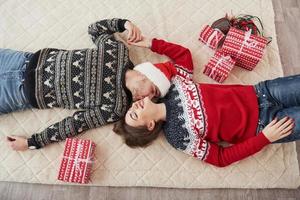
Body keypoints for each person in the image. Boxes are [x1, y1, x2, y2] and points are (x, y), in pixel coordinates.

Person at [113, 37, 297, 167]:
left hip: (262, 92)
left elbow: (183, 56)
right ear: (150, 125)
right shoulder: (177, 137)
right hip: (266, 124)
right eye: (135, 114)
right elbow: (220, 158)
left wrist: (151, 44)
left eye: (130, 109)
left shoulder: (172, 87)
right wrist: (265, 138)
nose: (134, 105)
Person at [4, 18, 174, 151]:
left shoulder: (116, 107)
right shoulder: (118, 51)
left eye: (153, 98)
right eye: (153, 91)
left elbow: (76, 124)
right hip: (22, 60)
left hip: (19, 93)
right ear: (147, 74)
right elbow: (95, 29)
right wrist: (125, 24)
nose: (146, 98)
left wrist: (33, 142)